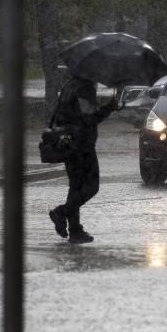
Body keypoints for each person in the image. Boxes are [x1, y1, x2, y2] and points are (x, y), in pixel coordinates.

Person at [48, 77, 119, 244]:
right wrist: (110, 108)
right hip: (81, 146)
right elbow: (88, 119)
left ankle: (75, 230)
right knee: (91, 187)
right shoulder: (84, 89)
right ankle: (62, 212)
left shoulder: (69, 85)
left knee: (76, 188)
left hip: (69, 143)